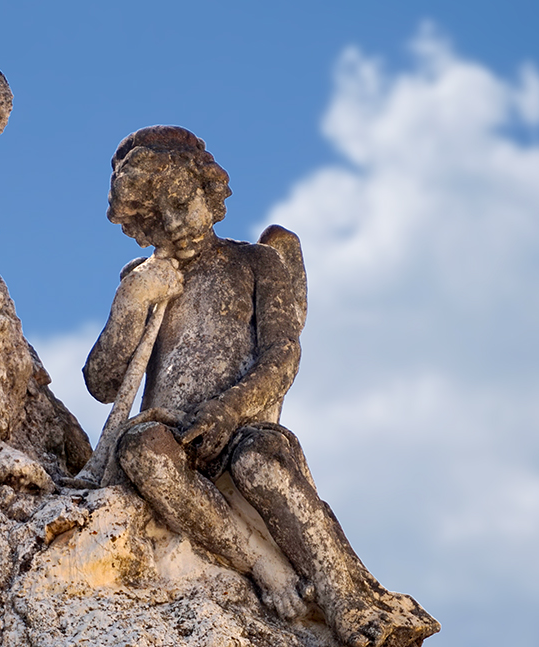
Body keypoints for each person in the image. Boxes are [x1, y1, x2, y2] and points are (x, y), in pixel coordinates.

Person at [83, 126, 439, 647]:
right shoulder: (142, 277)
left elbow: (282, 355)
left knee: (258, 461)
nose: (176, 224)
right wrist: (131, 303)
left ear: (210, 192)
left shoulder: (257, 262)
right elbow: (101, 381)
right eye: (156, 218)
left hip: (243, 428)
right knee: (141, 450)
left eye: (183, 202)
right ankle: (261, 564)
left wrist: (228, 412)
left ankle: (349, 599)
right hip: (172, 435)